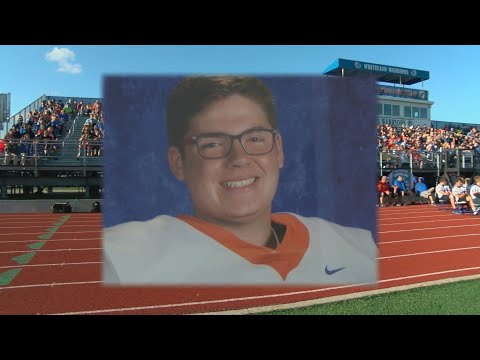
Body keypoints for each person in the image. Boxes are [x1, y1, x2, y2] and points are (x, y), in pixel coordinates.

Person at [103, 76, 377, 285]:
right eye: (212, 144)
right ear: (178, 163)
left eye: (255, 138)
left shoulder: (355, 245)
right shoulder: (120, 257)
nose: (239, 157)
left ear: (278, 150)